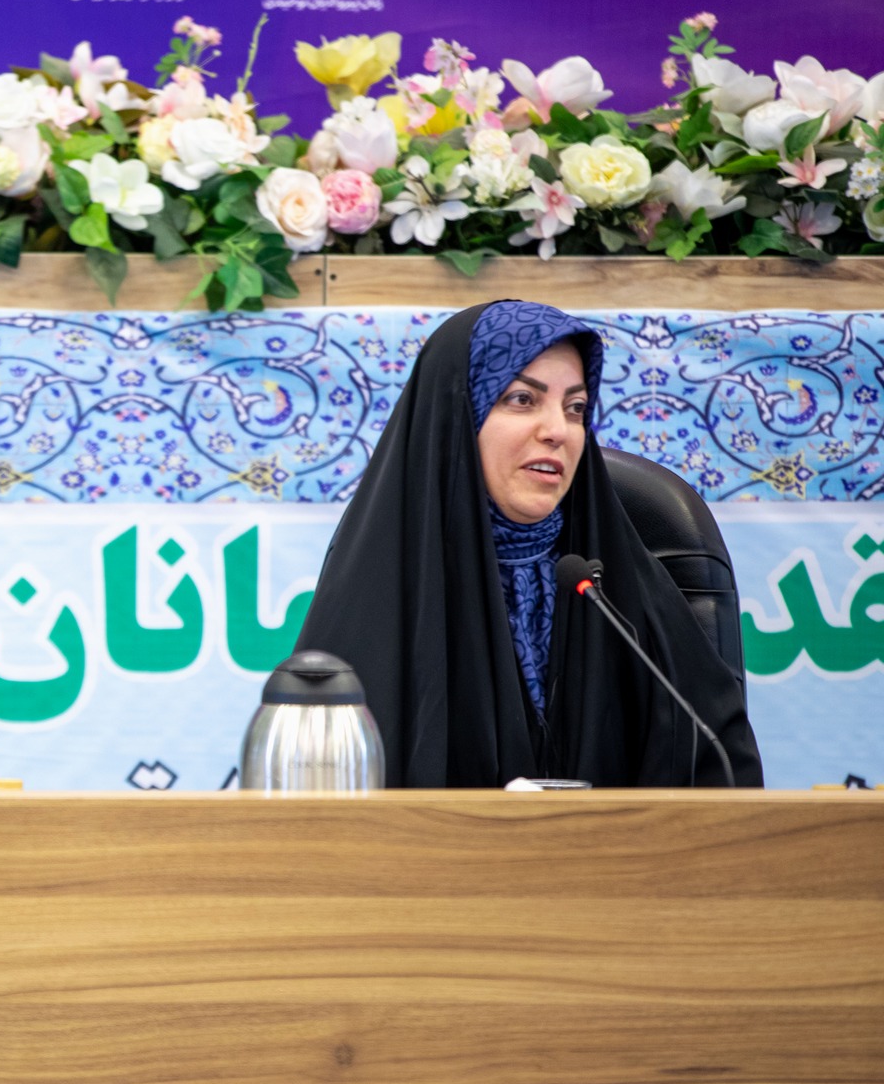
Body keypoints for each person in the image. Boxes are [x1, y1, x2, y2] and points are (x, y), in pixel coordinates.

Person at [293, 300, 761, 788]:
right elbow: (320, 798)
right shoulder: (379, 590)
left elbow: (721, 770)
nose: (557, 431)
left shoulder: (617, 587)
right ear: (459, 415)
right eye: (522, 399)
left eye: (575, 408)